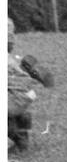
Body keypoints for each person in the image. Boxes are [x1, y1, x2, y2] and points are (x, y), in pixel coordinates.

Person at [8, 18, 53, 152]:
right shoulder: (20, 60)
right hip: (25, 98)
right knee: (19, 112)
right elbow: (47, 78)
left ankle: (13, 140)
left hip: (9, 102)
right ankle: (22, 140)